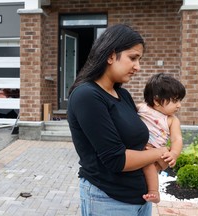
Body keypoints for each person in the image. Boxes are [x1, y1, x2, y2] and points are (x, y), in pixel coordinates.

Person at [67, 24, 170, 216]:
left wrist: (159, 156)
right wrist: (160, 153)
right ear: (111, 55)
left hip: (140, 199)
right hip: (108, 200)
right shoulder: (86, 95)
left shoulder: (123, 95)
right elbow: (117, 159)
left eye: (139, 59)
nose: (137, 67)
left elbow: (139, 146)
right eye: (133, 58)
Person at [137, 73, 186, 203]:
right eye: (175, 100)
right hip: (141, 151)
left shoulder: (171, 120)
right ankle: (151, 189)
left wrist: (174, 153)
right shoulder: (141, 108)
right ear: (157, 100)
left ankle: (154, 192)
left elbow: (177, 139)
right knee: (146, 167)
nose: (179, 105)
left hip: (157, 154)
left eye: (179, 101)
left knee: (150, 166)